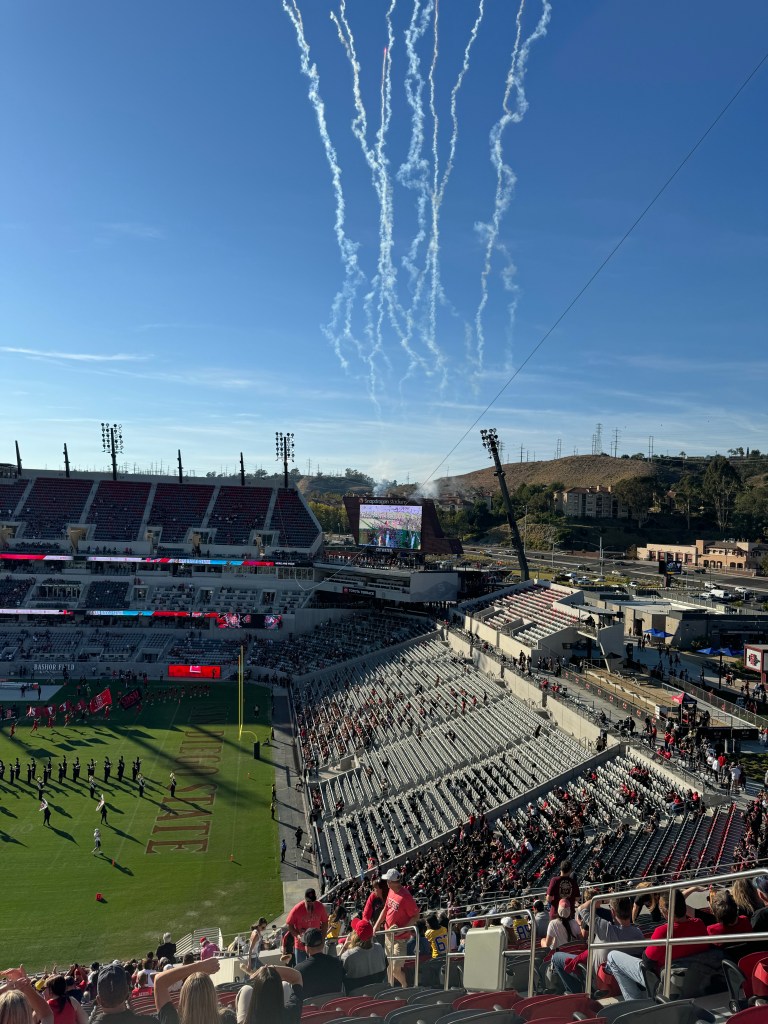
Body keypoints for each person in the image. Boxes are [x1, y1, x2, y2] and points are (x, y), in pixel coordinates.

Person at [606, 891, 708, 1001]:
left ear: (666, 912)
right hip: (694, 980)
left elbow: (647, 961)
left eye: (660, 908)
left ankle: (634, 1001)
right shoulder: (699, 924)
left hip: (663, 983)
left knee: (612, 956)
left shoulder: (663, 932)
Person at [373, 868, 420, 988]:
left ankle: (405, 986)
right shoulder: (391, 891)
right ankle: (391, 987)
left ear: (391, 882)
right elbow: (386, 909)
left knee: (395, 969)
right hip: (389, 935)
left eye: (387, 881)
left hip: (400, 939)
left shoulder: (406, 897)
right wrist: (376, 925)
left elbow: (416, 916)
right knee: (390, 966)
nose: (386, 883)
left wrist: (403, 929)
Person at [153, 957, 220, 1024]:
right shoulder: (224, 1018)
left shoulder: (172, 1020)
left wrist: (200, 966)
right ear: (213, 996)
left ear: (184, 997)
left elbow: (159, 981)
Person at [235, 964, 303, 1024]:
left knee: (246, 989)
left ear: (256, 992)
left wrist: (264, 970)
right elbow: (297, 977)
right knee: (285, 985)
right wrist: (271, 968)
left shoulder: (248, 1021)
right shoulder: (291, 1013)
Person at [340, 918, 387, 993]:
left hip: (356, 996)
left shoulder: (348, 955)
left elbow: (337, 972)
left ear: (355, 935)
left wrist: (344, 947)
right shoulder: (379, 948)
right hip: (377, 993)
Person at [294, 929, 345, 997]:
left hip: (313, 1004)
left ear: (307, 948)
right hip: (334, 1003)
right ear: (323, 944)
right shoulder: (338, 963)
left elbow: (297, 996)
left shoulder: (299, 970)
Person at [285, 889, 329, 965]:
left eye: (313, 901)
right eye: (308, 901)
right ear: (305, 899)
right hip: (301, 946)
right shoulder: (297, 909)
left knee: (317, 967)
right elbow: (289, 924)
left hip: (316, 946)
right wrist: (297, 935)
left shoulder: (320, 906)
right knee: (301, 968)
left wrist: (323, 938)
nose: (311, 903)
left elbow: (325, 922)